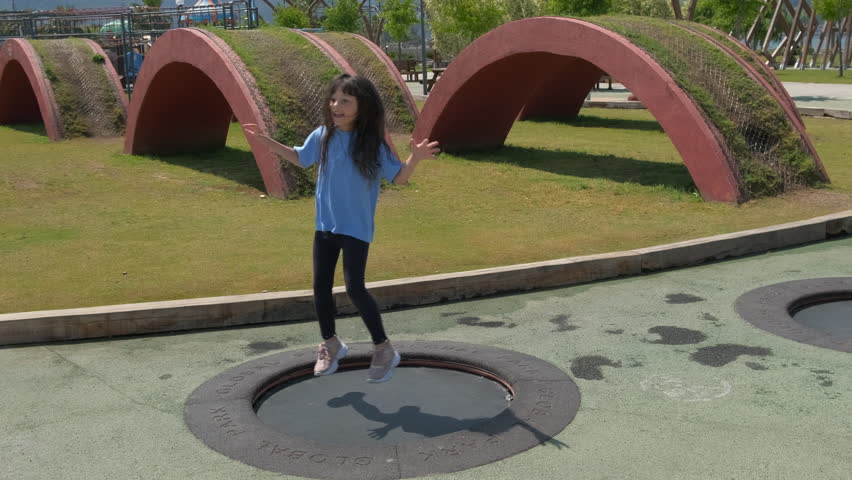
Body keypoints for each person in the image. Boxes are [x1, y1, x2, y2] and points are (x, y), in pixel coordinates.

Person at [243, 74, 440, 383]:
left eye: (346, 101)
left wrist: (415, 157)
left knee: (354, 288)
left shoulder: (372, 144)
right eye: (334, 99)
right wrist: (265, 142)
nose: (337, 105)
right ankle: (331, 344)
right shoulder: (323, 135)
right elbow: (300, 158)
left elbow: (398, 178)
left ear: (363, 106)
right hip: (325, 226)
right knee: (320, 287)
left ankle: (384, 349)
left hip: (355, 228)